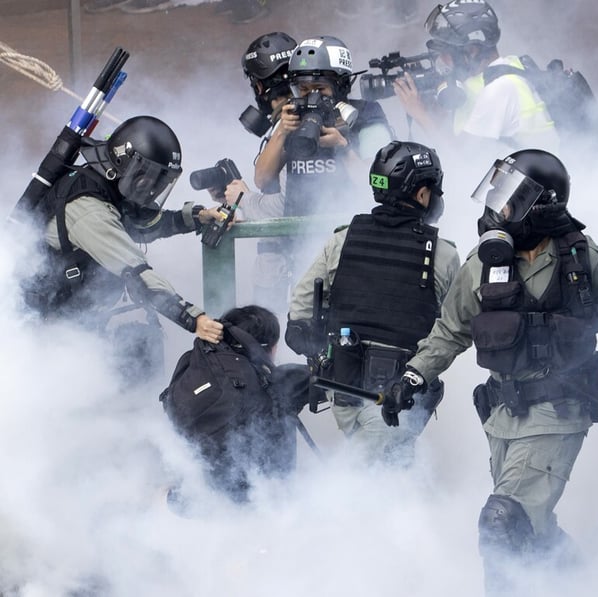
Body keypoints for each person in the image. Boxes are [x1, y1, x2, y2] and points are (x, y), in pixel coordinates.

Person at [380, 149, 598, 595]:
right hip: (502, 416)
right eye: (497, 197)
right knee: (533, 529)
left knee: (503, 523)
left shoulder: (580, 257)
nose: (497, 210)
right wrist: (413, 377)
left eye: (510, 201)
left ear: (542, 206)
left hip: (558, 411)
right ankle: (582, 581)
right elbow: (450, 330)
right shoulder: (484, 262)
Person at [285, 141, 460, 465]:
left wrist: (321, 351)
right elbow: (452, 332)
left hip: (342, 389)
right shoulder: (443, 254)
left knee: (379, 470)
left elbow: (300, 310)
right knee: (373, 479)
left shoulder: (342, 239)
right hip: (399, 396)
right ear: (422, 194)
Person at [16, 115, 225, 380]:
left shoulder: (105, 184)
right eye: (148, 179)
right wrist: (193, 319)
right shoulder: (88, 209)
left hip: (71, 315)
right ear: (125, 164)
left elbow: (141, 225)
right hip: (43, 328)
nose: (153, 188)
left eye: (160, 181)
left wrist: (197, 217)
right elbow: (136, 273)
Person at [161, 304, 312, 503]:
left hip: (191, 500)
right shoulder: (279, 383)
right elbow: (336, 380)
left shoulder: (198, 370)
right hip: (258, 505)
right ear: (268, 348)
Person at [254, 35, 394, 219]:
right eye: (303, 89)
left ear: (341, 86)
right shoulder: (293, 117)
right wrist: (281, 132)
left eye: (320, 89)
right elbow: (262, 180)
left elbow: (380, 185)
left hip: (350, 230)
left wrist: (343, 148)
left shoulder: (366, 116)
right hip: (297, 233)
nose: (312, 96)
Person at [394, 0, 559, 154]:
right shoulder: (508, 67)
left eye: (446, 52)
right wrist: (431, 107)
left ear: (472, 50)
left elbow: (460, 157)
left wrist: (418, 112)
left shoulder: (500, 88)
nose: (442, 60)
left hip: (535, 174)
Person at [224, 31, 298, 316]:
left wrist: (244, 199)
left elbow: (284, 209)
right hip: (286, 266)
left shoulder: (295, 128)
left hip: (291, 267)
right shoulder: (291, 124)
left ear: (259, 85)